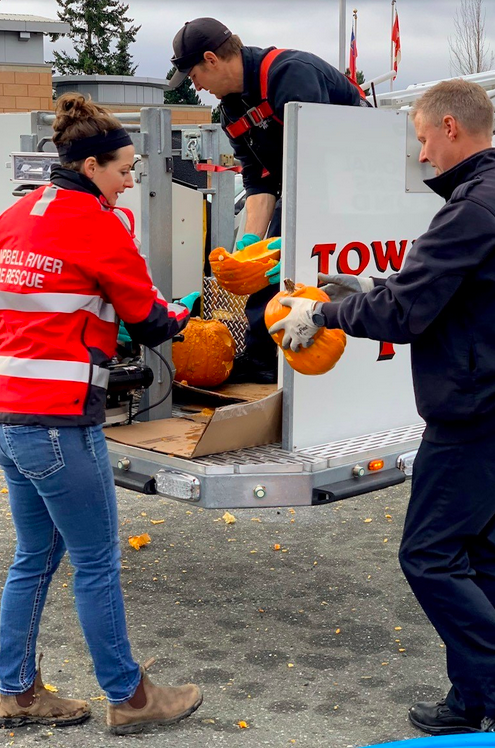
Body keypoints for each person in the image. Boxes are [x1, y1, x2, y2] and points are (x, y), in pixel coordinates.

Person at [269, 79, 495, 737]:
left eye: (424, 137)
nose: (423, 153)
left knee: (429, 555)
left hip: (478, 414)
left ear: (452, 129)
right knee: (475, 557)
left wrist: (325, 312)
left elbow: (406, 312)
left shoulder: (472, 208)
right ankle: (476, 696)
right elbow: (439, 291)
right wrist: (363, 291)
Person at [0, 93, 203, 734]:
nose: (130, 181)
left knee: (35, 555)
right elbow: (147, 320)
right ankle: (132, 697)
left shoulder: (15, 215)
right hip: (60, 422)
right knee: (96, 560)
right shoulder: (98, 224)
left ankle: (15, 691)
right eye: (124, 170)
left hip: (10, 419)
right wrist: (190, 308)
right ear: (91, 167)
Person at [168, 17, 366, 383]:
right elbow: (259, 179)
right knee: (266, 268)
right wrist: (250, 247)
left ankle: (320, 353)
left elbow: (320, 163)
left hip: (356, 183)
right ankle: (262, 361)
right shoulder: (231, 108)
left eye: (193, 75)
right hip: (304, 186)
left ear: (211, 59)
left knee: (306, 266)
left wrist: (288, 244)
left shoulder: (290, 75)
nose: (195, 86)